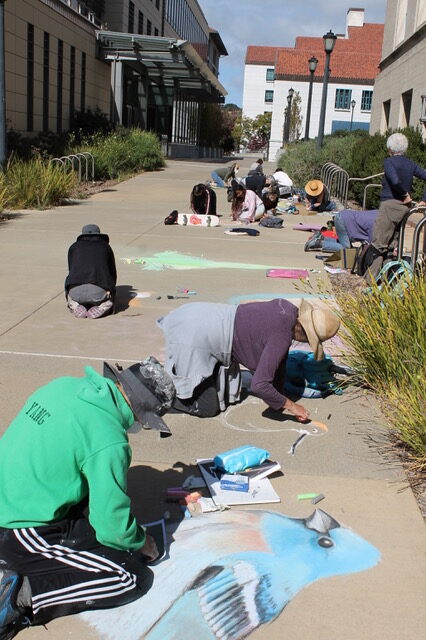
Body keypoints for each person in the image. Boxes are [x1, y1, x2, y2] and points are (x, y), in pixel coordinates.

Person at [0, 358, 175, 638]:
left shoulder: (63, 386)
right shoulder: (109, 439)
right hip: (16, 525)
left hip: (10, 496)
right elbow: (113, 528)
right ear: (141, 414)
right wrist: (142, 541)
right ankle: (21, 592)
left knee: (93, 524)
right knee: (129, 577)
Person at [158, 299, 340, 422]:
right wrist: (291, 406)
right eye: (310, 340)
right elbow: (259, 385)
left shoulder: (285, 309)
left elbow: (278, 361)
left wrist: (278, 395)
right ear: (305, 333)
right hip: (194, 334)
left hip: (200, 315)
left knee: (222, 393)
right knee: (208, 407)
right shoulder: (281, 336)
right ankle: (160, 394)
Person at [363, 132, 426, 282]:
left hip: (390, 205)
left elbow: (394, 179)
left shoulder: (389, 162)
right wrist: (423, 200)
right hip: (405, 209)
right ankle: (387, 278)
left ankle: (370, 281)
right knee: (393, 245)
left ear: (390, 148)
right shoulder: (410, 164)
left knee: (378, 243)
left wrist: (404, 194)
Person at [65, 224, 117, 319]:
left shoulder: (74, 247)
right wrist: (111, 292)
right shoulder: (105, 247)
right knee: (106, 298)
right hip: (98, 292)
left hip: (75, 292)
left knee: (71, 295)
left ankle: (74, 304)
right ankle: (104, 305)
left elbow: (71, 270)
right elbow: (112, 273)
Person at [304, 209, 379, 252]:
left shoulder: (380, 213)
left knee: (343, 243)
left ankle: (321, 237)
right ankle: (317, 243)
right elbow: (371, 244)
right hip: (344, 222)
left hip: (343, 217)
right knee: (346, 249)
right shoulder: (376, 222)